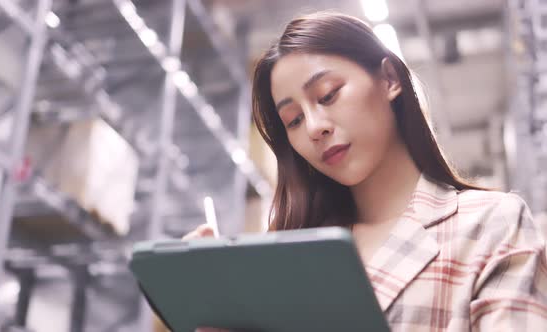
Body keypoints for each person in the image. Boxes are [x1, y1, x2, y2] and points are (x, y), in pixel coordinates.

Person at [184, 11, 547, 331]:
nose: (314, 127)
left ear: (390, 79)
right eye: (293, 120)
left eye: (327, 95)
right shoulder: (289, 259)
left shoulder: (489, 224)